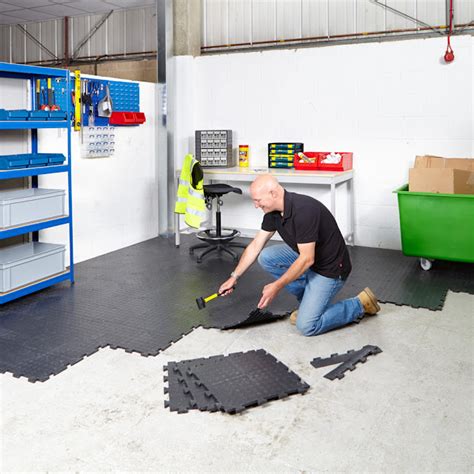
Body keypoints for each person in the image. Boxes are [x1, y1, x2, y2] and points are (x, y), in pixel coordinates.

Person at [218, 174, 380, 336]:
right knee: (267, 257)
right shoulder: (273, 213)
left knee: (307, 326)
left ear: (273, 193)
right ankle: (307, 300)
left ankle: (359, 304)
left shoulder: (304, 211)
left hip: (330, 268)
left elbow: (307, 259)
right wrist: (234, 277)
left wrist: (277, 285)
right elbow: (255, 246)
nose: (256, 205)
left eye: (258, 200)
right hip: (309, 256)